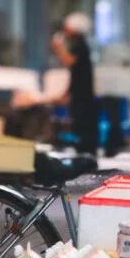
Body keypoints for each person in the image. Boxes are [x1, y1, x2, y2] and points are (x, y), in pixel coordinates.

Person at [51, 12, 98, 156]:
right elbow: (75, 73)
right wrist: (66, 93)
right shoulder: (81, 44)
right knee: (79, 126)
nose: (65, 31)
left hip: (83, 97)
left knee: (83, 127)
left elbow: (70, 61)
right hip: (80, 95)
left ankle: (85, 155)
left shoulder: (80, 45)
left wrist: (58, 47)